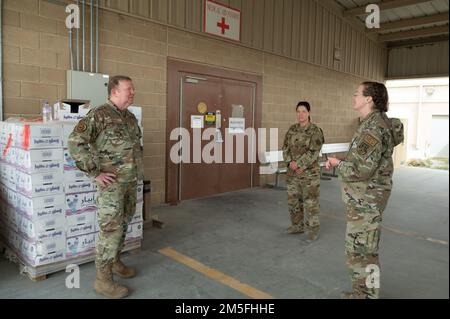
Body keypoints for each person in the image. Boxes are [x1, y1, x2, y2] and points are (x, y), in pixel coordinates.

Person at [68, 75, 144, 299]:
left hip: (129, 182)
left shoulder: (129, 118)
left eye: (133, 89)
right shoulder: (99, 115)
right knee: (110, 228)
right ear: (114, 91)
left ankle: (115, 261)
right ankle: (102, 280)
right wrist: (94, 172)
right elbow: (76, 142)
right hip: (111, 186)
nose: (132, 93)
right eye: (128, 89)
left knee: (123, 224)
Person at [326, 82, 404, 299]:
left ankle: (368, 296)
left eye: (356, 94)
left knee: (365, 252)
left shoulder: (372, 128)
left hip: (367, 201)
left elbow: (361, 170)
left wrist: (337, 164)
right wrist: (343, 159)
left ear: (369, 99)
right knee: (357, 250)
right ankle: (362, 294)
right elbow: (366, 159)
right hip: (364, 199)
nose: (353, 97)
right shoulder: (375, 124)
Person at [282, 101, 324, 242]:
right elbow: (285, 148)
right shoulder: (292, 129)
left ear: (309, 113)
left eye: (304, 111)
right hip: (292, 173)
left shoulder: (315, 131)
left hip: (309, 175)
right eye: (298, 111)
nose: (300, 114)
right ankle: (297, 226)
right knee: (294, 201)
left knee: (310, 203)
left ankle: (313, 231)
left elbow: (313, 152)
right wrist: (289, 163)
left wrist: (298, 164)